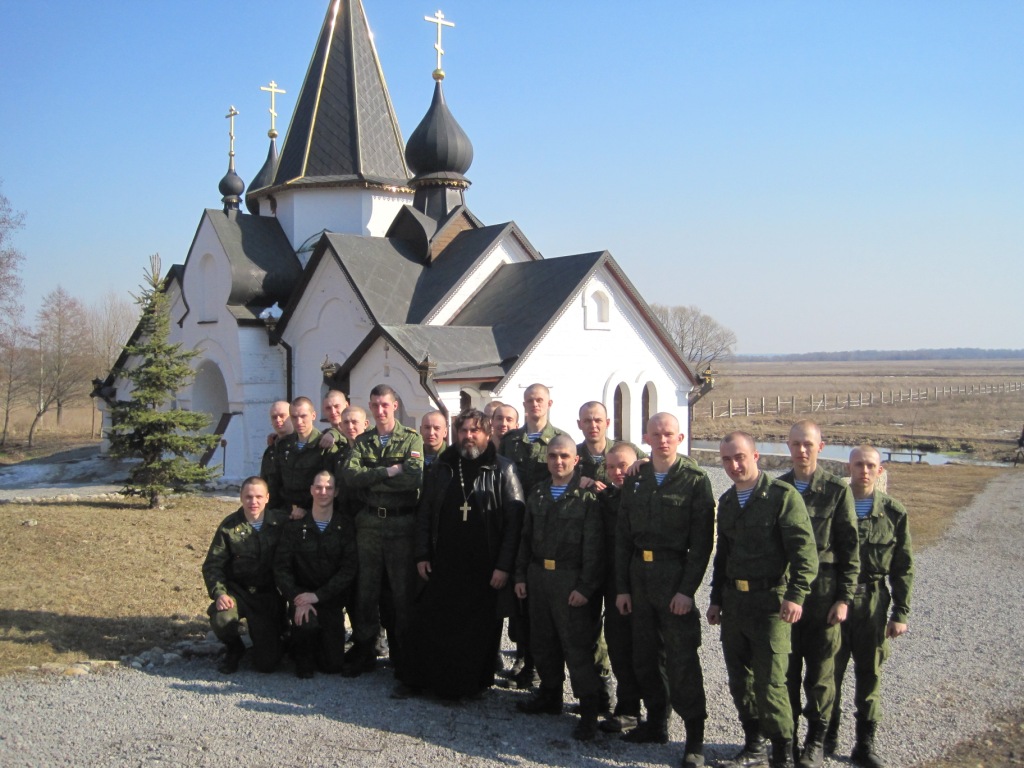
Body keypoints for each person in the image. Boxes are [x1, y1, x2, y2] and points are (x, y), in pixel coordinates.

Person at [395, 409, 525, 699]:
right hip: (444, 561)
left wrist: (504, 566)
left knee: (474, 630)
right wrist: (422, 554)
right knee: (432, 621)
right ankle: (421, 680)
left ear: (487, 433)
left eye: (474, 431)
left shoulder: (503, 469)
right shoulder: (444, 466)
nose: (468, 436)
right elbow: (426, 512)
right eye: (464, 431)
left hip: (484, 567)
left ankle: (463, 687)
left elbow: (514, 524)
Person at [709, 431, 818, 768]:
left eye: (740, 457)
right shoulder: (728, 502)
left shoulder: (781, 497)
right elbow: (723, 557)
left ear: (755, 456)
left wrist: (796, 595)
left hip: (771, 604)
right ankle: (754, 746)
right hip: (735, 603)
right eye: (727, 459)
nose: (734, 465)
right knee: (740, 681)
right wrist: (715, 599)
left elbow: (805, 554)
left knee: (771, 684)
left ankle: (783, 753)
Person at [614, 413, 715, 767]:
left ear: (680, 438)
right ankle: (656, 723)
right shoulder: (636, 479)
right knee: (645, 656)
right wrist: (623, 588)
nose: (662, 440)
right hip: (639, 575)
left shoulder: (694, 480)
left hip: (673, 576)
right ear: (646, 438)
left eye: (669, 434)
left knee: (681, 659)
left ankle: (695, 738)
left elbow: (701, 545)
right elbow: (623, 538)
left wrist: (687, 591)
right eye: (656, 434)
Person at [779, 421, 860, 768]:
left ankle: (816, 741)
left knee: (821, 675)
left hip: (823, 595)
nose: (802, 450)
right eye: (796, 444)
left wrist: (844, 598)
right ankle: (787, 740)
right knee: (785, 672)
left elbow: (850, 549)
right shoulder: (779, 488)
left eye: (808, 444)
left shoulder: (836, 490)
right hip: (786, 594)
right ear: (788, 446)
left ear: (820, 447)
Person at [826, 445, 913, 768]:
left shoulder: (893, 512)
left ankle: (864, 744)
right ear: (848, 468)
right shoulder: (833, 505)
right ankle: (826, 738)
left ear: (880, 470)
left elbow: (903, 566)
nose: (864, 471)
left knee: (869, 673)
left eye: (870, 465)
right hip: (835, 600)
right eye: (858, 465)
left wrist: (900, 612)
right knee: (828, 673)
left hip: (872, 603)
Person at [514, 435, 604, 741]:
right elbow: (525, 538)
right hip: (539, 575)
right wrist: (520, 576)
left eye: (565, 456)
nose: (558, 461)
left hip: (570, 579)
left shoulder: (586, 497)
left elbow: (594, 548)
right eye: (553, 456)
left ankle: (589, 711)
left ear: (576, 460)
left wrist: (586, 587)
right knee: (542, 641)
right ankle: (550, 695)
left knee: (576, 646)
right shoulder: (538, 493)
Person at [341, 384, 424, 676]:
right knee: (367, 590)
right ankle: (366, 649)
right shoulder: (364, 441)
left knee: (402, 591)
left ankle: (405, 655)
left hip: (401, 526)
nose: (380, 410)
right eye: (375, 405)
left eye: (384, 405)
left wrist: (371, 481)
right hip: (370, 525)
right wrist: (388, 471)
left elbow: (412, 479)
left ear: (395, 405)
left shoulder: (411, 439)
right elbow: (350, 476)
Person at [500, 383, 566, 688]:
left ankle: (538, 665)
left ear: (549, 403)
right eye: (529, 400)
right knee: (518, 596)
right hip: (515, 527)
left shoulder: (560, 440)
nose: (534, 404)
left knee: (539, 601)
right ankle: (522, 656)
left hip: (544, 531)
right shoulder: (511, 441)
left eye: (539, 400)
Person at [274, 471, 357, 678]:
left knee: (332, 665)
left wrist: (319, 596)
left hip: (329, 600)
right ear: (311, 490)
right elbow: (282, 568)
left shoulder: (345, 526)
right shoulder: (295, 527)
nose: (323, 492)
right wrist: (297, 598)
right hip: (301, 597)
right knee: (305, 667)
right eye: (318, 487)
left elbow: (348, 569)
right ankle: (299, 649)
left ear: (336, 492)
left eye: (328, 488)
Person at [202, 476, 287, 674]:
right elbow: (213, 565)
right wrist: (219, 593)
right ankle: (234, 648)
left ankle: (276, 638)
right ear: (241, 497)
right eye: (248, 497)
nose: (253, 502)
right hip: (237, 593)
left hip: (266, 596)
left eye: (259, 497)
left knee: (267, 665)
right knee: (222, 618)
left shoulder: (280, 522)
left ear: (267, 498)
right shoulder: (229, 526)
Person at [595, 442, 643, 733]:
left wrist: (646, 463)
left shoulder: (647, 492)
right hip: (615, 583)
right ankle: (627, 708)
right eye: (611, 467)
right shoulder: (606, 498)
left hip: (644, 582)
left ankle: (658, 715)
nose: (616, 472)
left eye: (623, 465)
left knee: (649, 650)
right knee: (619, 646)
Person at [264, 396, 334, 520]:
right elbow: (275, 482)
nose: (299, 422)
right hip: (284, 512)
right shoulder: (283, 445)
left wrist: (308, 509)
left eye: (303, 416)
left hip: (313, 514)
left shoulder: (324, 446)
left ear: (313, 415)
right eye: (294, 417)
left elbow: (329, 487)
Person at [260, 400, 294, 480]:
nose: (278, 420)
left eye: (282, 416)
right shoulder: (270, 451)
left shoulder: (301, 445)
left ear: (292, 417)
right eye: (274, 417)